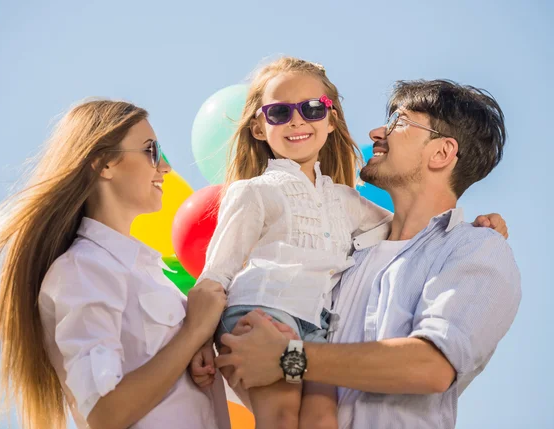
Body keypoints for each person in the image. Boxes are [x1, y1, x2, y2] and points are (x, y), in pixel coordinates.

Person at [189, 57, 510, 429]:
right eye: (278, 112)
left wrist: (289, 357)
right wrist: (199, 340)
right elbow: (220, 279)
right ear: (260, 128)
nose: (377, 132)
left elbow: (432, 367)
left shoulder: (471, 248)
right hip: (269, 317)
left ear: (442, 153)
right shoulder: (352, 249)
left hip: (308, 335)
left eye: (400, 124)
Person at [0, 100, 229, 429]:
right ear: (103, 164)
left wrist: (197, 343)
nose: (165, 168)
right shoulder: (82, 270)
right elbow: (105, 413)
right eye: (151, 150)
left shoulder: (146, 273)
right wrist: (192, 332)